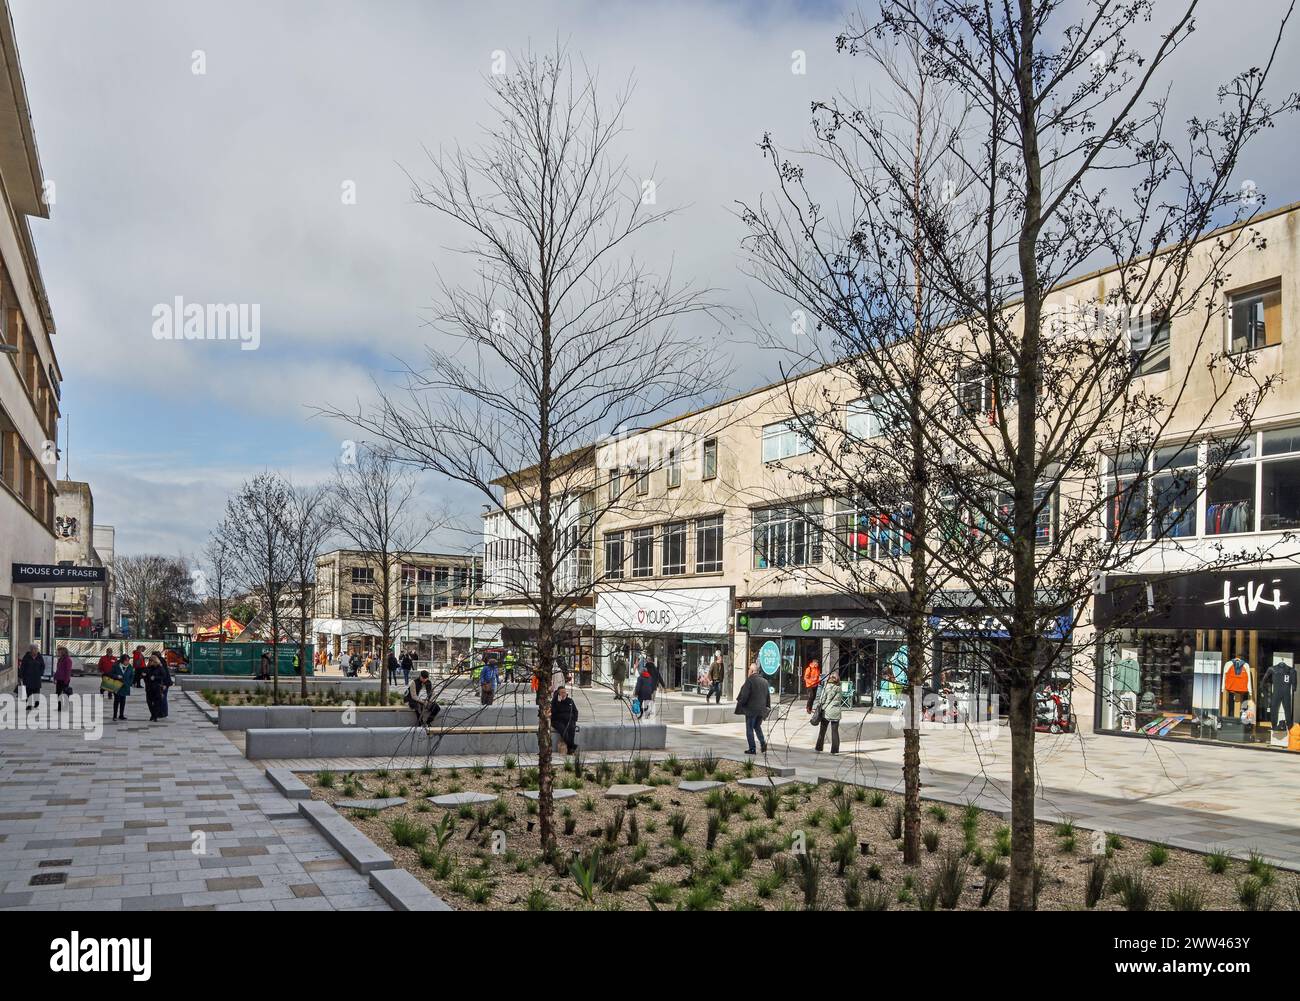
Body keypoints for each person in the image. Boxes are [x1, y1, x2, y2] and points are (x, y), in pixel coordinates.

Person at [734, 662, 770, 754]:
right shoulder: (765, 681)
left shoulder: (750, 681)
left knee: (749, 728)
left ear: (753, 671)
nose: (748, 671)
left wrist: (741, 703)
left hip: (751, 710)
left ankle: (752, 748)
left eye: (749, 669)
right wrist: (767, 707)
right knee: (757, 726)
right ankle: (763, 743)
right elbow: (767, 696)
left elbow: (745, 695)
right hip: (761, 709)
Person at [814, 670, 843, 754]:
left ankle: (819, 748)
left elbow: (822, 699)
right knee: (835, 732)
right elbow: (840, 698)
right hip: (836, 711)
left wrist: (820, 705)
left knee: (822, 730)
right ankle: (835, 750)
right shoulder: (839, 687)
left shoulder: (827, 686)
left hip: (827, 711)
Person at [144, 653, 172, 722]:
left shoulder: (160, 667)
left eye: (151, 661)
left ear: (155, 660)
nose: (150, 662)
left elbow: (164, 676)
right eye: (149, 661)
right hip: (149, 687)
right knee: (149, 702)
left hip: (157, 687)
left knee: (159, 701)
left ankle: (158, 715)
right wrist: (144, 675)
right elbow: (146, 676)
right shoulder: (148, 667)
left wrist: (156, 678)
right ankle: (153, 714)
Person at [552, 684, 579, 754]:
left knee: (572, 729)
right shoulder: (555, 701)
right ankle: (571, 746)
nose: (564, 694)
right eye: (562, 692)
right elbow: (554, 712)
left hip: (569, 720)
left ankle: (570, 749)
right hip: (558, 721)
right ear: (558, 694)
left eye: (565, 692)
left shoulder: (570, 701)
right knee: (564, 731)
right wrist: (558, 702)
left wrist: (574, 719)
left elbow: (575, 711)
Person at [19, 644, 44, 710]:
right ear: (30, 650)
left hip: (36, 677)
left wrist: (40, 673)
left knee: (36, 691)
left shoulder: (39, 657)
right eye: (33, 649)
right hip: (28, 677)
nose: (35, 650)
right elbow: (22, 667)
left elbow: (42, 666)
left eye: (36, 648)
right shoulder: (26, 657)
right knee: (28, 692)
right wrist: (21, 676)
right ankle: (29, 705)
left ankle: (36, 702)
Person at [110, 654, 134, 721]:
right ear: (122, 660)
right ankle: (114, 715)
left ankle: (121, 715)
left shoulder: (129, 667)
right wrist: (117, 676)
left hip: (125, 686)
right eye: (126, 660)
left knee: (123, 701)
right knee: (116, 700)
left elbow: (132, 675)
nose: (127, 662)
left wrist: (129, 683)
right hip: (117, 685)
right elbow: (111, 674)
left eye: (128, 660)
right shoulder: (116, 666)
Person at [54, 645, 73, 714]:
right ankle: (59, 707)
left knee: (64, 694)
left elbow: (68, 671)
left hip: (64, 679)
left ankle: (64, 706)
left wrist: (66, 680)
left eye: (59, 652)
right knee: (58, 693)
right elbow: (58, 669)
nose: (57, 653)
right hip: (59, 679)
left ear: (63, 652)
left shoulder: (68, 660)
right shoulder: (60, 659)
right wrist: (55, 677)